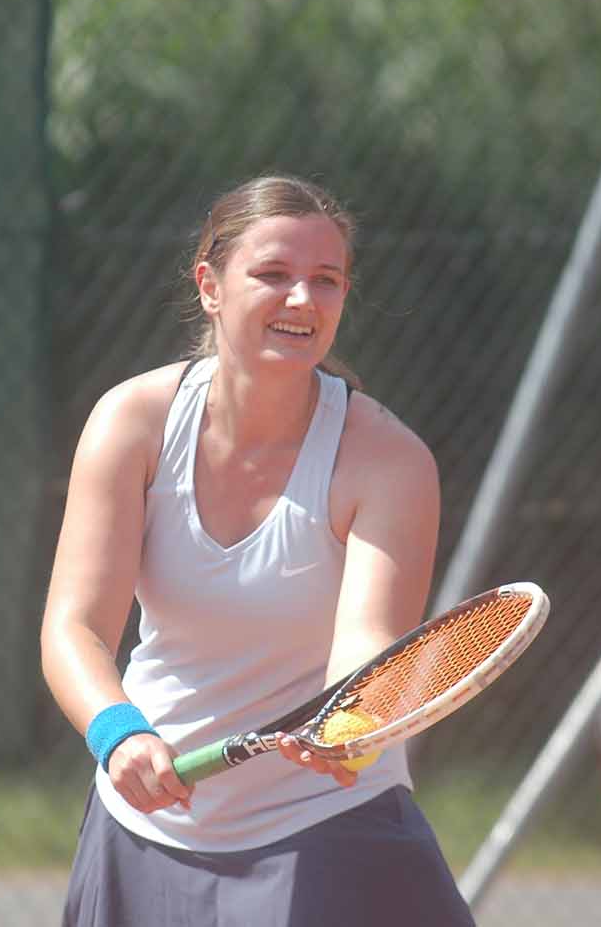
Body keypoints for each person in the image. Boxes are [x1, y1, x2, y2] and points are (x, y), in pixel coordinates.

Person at [41, 174, 476, 926]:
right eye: (273, 274)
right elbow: (73, 627)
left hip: (327, 827)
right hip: (143, 828)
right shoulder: (131, 422)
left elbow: (370, 640)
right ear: (209, 286)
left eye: (326, 280)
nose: (302, 299)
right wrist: (119, 733)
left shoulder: (389, 459)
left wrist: (346, 728)